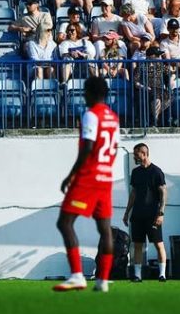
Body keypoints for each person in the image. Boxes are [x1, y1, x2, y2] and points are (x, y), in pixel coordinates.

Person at [54, 77, 120, 292]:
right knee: (105, 229)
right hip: (106, 177)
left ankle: (77, 276)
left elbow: (88, 147)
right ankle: (102, 281)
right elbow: (114, 147)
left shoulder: (91, 115)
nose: (83, 95)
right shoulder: (114, 118)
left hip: (89, 177)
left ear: (91, 92)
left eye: (84, 91)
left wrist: (71, 175)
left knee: (65, 222)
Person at [123, 143, 167, 282]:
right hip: (137, 215)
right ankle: (137, 275)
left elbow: (163, 192)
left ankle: (162, 274)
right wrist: (126, 213)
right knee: (137, 245)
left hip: (153, 215)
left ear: (143, 153)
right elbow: (133, 194)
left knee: (158, 244)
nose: (135, 157)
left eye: (136, 154)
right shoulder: (136, 173)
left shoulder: (156, 171)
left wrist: (161, 213)